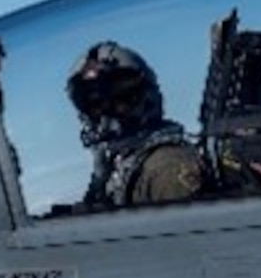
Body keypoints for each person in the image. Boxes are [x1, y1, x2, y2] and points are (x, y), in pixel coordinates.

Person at [66, 40, 205, 208]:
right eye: (95, 104)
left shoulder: (166, 169)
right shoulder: (118, 167)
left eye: (121, 98)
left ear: (147, 98)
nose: (106, 114)